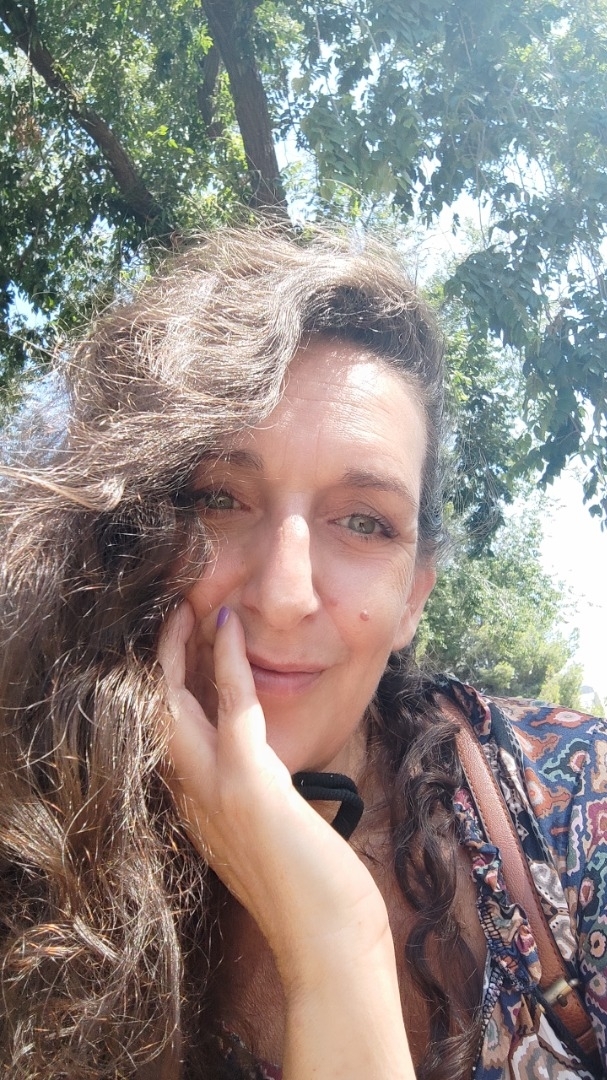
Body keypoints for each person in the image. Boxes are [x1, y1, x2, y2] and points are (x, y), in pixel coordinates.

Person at [0, 226, 605, 1080]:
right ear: (124, 530)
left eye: (363, 521)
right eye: (219, 498)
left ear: (412, 598)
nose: (284, 595)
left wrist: (332, 943)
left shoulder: (571, 807)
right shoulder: (30, 859)